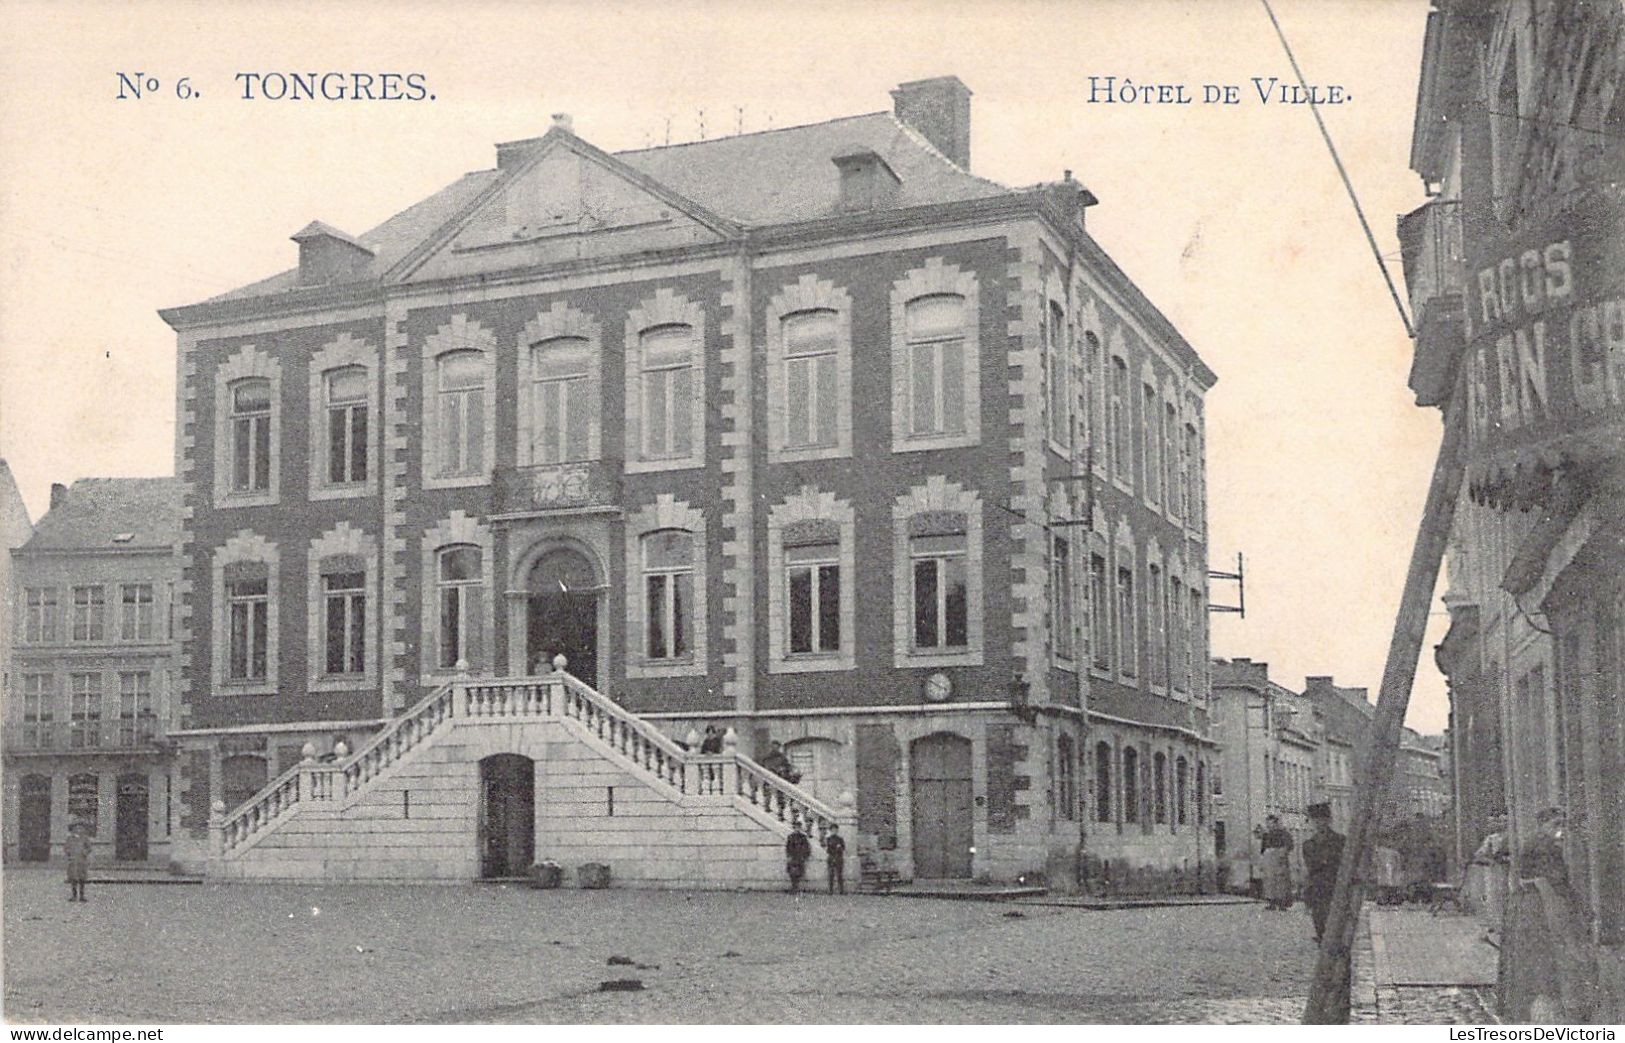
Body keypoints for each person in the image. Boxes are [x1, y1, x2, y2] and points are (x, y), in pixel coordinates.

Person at [1302, 802, 1346, 943]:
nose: (1319, 823)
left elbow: (1343, 863)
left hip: (1336, 886)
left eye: (1322, 819)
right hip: (1317, 887)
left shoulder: (1340, 840)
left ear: (1329, 820)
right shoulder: (1308, 844)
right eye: (1315, 820)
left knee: (1337, 922)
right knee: (1319, 920)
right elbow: (1311, 865)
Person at [1258, 815, 1294, 910]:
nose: (1269, 826)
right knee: (1269, 881)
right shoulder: (1266, 835)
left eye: (1271, 823)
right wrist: (1262, 862)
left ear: (1276, 823)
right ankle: (1271, 902)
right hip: (1268, 860)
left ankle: (1282, 903)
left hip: (1279, 859)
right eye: (1268, 823)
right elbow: (1263, 850)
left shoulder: (1284, 834)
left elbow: (1289, 845)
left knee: (1281, 881)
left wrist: (1283, 852)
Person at [64, 821, 92, 903]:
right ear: (73, 829)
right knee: (73, 878)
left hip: (82, 861)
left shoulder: (85, 838)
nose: (78, 830)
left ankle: (82, 896)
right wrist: (69, 853)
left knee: (82, 879)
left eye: (80, 828)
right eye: (76, 828)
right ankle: (74, 895)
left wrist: (85, 852)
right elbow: (66, 848)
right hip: (73, 861)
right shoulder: (70, 838)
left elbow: (89, 848)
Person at [785, 824, 812, 893]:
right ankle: (794, 886)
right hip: (793, 857)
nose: (797, 829)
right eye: (796, 828)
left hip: (800, 857)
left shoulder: (803, 837)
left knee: (799, 872)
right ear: (794, 828)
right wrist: (789, 856)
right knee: (792, 873)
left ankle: (796, 887)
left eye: (798, 828)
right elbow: (788, 847)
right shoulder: (790, 837)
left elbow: (807, 847)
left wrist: (805, 856)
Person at [823, 823, 847, 894]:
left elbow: (843, 848)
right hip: (831, 857)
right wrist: (835, 848)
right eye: (833, 830)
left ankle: (841, 890)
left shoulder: (840, 839)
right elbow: (828, 850)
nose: (834, 831)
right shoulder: (828, 839)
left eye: (835, 830)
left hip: (839, 858)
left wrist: (839, 848)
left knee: (839, 874)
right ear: (831, 830)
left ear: (837, 830)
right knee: (831, 875)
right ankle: (830, 890)